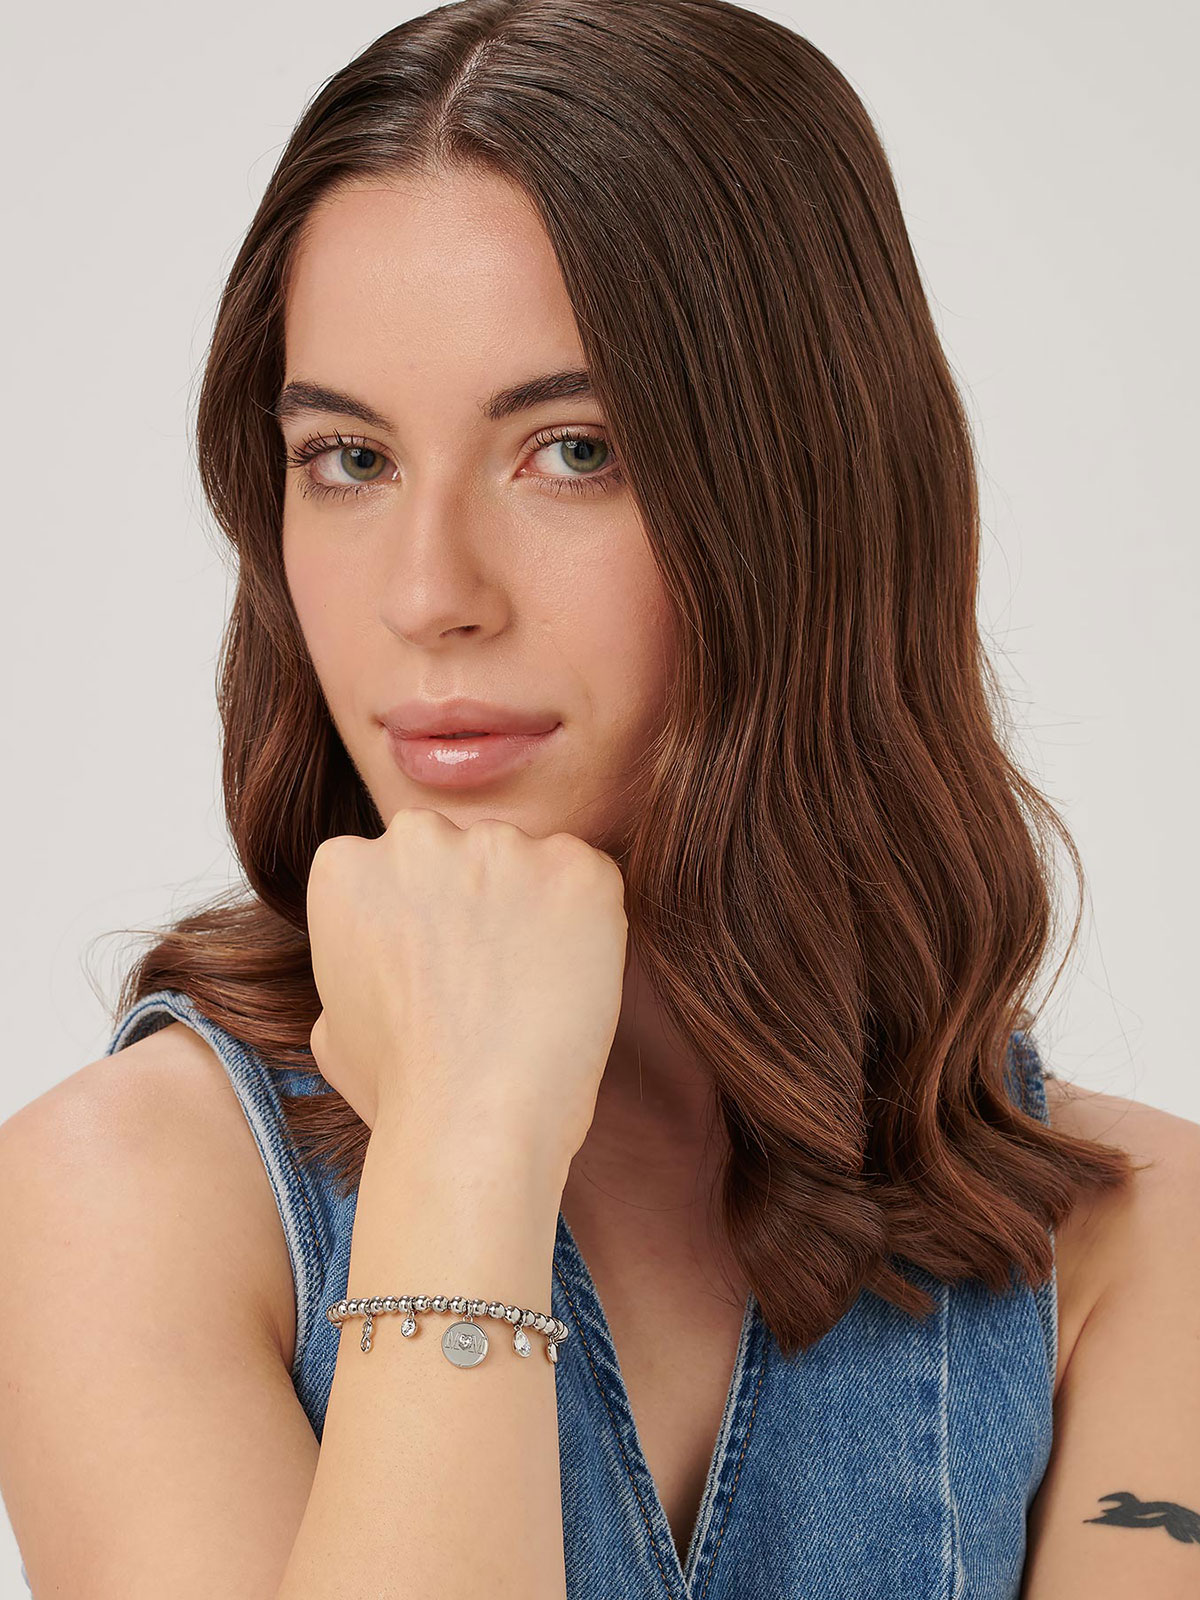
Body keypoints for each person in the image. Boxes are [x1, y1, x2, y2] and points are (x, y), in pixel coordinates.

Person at [1, 2, 1197, 1596]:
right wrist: (465, 1147)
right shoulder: (123, 1200)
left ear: (812, 494)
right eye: (349, 459)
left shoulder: (1137, 1244)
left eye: (573, 451)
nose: (429, 594)